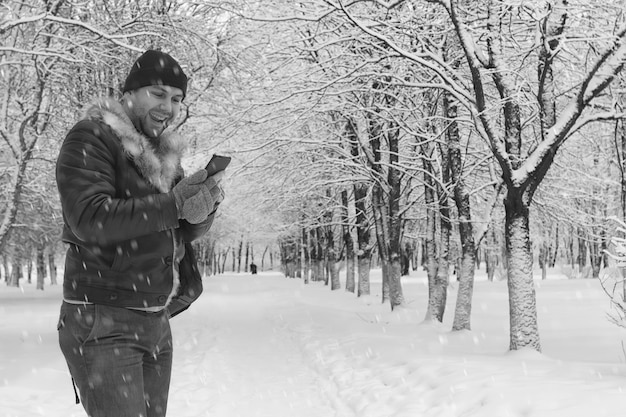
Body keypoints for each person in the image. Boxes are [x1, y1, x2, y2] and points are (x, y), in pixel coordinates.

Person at [55, 49, 223, 417]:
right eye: (158, 94)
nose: (169, 107)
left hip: (155, 319)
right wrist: (173, 205)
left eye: (177, 99)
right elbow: (89, 217)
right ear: (129, 93)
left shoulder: (162, 156)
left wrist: (201, 210)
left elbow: (172, 229)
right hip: (104, 321)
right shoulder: (92, 137)